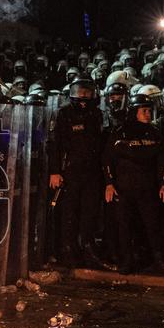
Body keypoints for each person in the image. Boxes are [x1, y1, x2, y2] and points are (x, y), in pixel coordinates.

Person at [103, 93, 164, 274]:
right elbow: (108, 159)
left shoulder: (155, 133)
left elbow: (162, 162)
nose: (148, 114)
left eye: (149, 111)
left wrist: (163, 184)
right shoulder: (119, 132)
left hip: (148, 189)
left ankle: (159, 260)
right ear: (134, 112)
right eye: (144, 111)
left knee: (153, 225)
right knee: (124, 226)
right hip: (123, 189)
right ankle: (127, 261)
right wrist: (109, 183)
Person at [47, 77, 105, 267]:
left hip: (92, 172)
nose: (83, 96)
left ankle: (87, 248)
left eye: (87, 92)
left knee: (90, 212)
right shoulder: (63, 114)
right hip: (70, 172)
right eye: (80, 92)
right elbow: (54, 144)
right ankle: (68, 250)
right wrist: (55, 171)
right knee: (69, 213)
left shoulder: (97, 114)